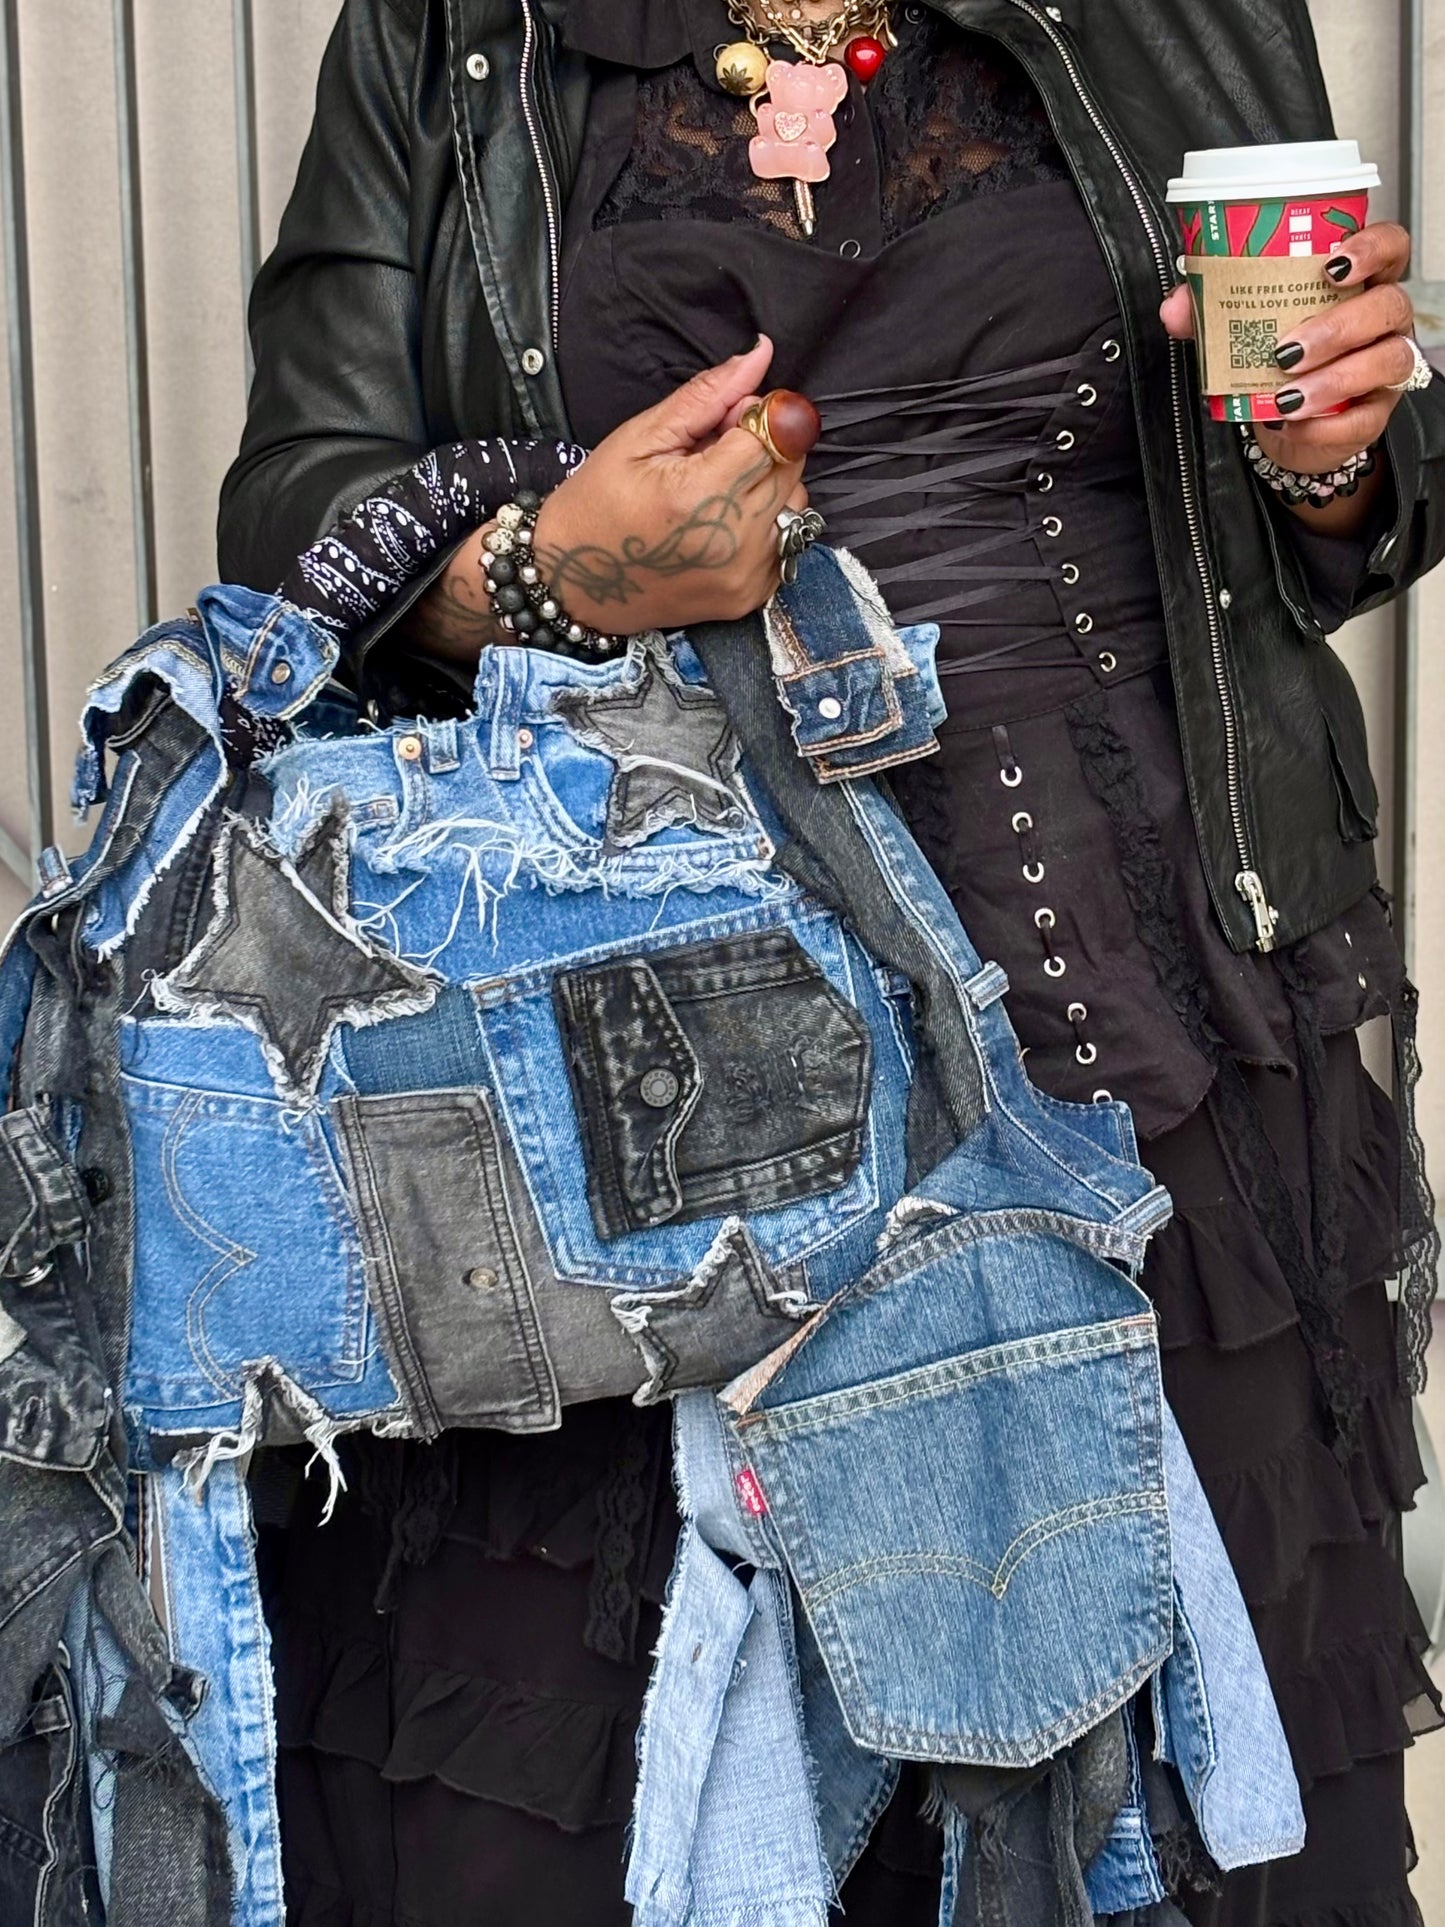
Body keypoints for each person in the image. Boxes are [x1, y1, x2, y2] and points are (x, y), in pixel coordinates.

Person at [218, 2, 1445, 1921]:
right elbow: (296, 508)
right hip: (632, 1050)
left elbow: (1346, 504)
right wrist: (545, 575)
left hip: (1135, 1019)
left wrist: (1336, 452)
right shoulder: (452, 28)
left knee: (1183, 1795)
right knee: (633, 1805)